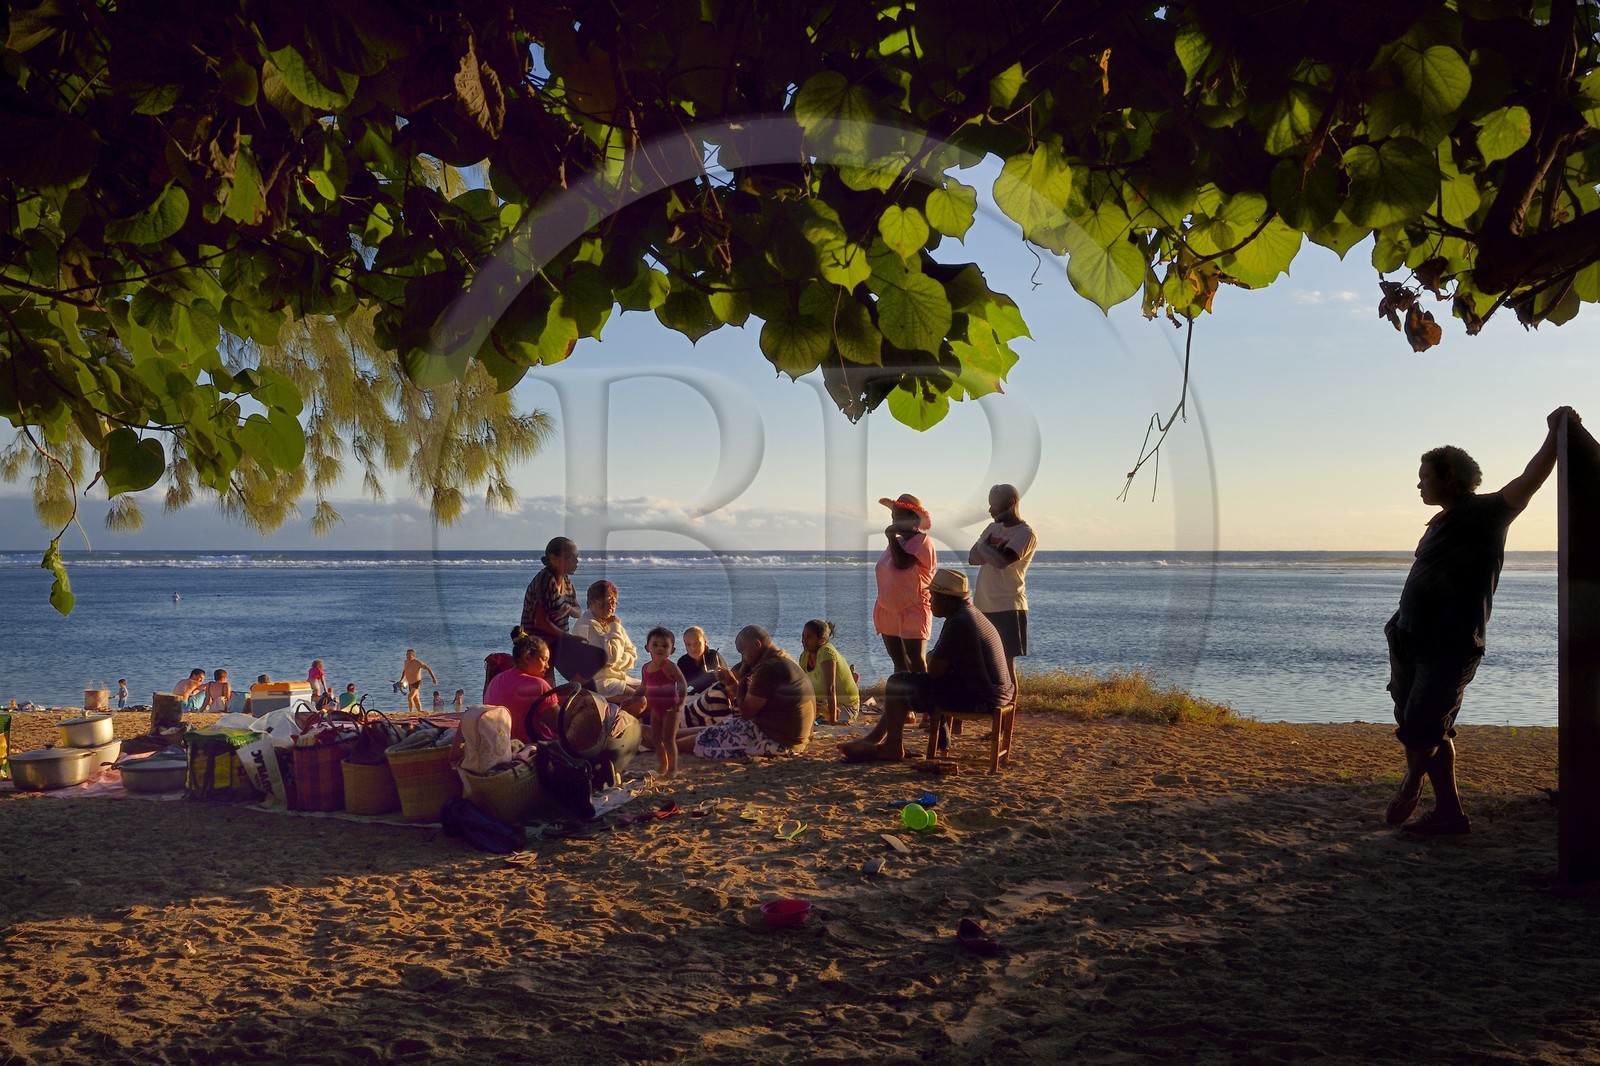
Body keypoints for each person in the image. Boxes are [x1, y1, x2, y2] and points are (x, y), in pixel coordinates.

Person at [1384, 407, 1579, 836]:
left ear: (1450, 477)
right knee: (1427, 727)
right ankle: (1450, 815)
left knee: (1422, 731)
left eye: (1426, 476)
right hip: (1409, 638)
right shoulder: (1440, 520)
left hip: (1449, 642)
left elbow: (1529, 480)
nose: (1419, 483)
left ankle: (1412, 782)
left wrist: (1553, 434)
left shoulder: (1488, 513)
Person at [841, 568, 1013, 763]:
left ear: (946, 599)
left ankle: (889, 746)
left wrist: (933, 658)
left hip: (982, 698)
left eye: (933, 596)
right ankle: (879, 741)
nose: (929, 602)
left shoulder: (959, 623)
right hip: (993, 693)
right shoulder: (969, 614)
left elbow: (934, 670)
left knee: (897, 682)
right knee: (901, 682)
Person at [694, 626, 815, 758]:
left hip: (779, 741)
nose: (742, 658)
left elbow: (746, 713)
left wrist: (740, 677)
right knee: (711, 729)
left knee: (697, 740)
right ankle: (671, 735)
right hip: (786, 736)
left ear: (757, 644)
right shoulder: (782, 659)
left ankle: (670, 740)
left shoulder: (769, 668)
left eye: (743, 651)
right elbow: (750, 705)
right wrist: (734, 681)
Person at [969, 483, 1038, 691]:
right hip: (982, 605)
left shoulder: (1025, 534)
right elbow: (973, 558)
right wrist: (986, 550)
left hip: (1009, 607)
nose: (990, 511)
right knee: (980, 663)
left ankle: (1008, 719)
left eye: (994, 506)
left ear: (1010, 504)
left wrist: (983, 546)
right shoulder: (993, 528)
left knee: (1006, 666)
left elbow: (1002, 561)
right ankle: (990, 708)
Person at [521, 537, 606, 683]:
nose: (576, 561)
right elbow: (540, 622)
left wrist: (568, 609)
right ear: (554, 559)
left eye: (576, 557)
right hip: (540, 643)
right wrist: (569, 638)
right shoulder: (545, 580)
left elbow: (578, 610)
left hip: (557, 642)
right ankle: (570, 691)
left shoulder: (566, 582)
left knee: (589, 678)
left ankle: (573, 690)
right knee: (597, 657)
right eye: (571, 557)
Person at [873, 493, 938, 674]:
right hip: (888, 609)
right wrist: (894, 540)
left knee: (915, 661)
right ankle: (902, 700)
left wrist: (891, 538)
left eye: (899, 517)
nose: (894, 521)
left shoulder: (923, 541)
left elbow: (902, 564)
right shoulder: (898, 542)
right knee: (899, 663)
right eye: (893, 517)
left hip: (913, 608)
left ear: (914, 520)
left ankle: (923, 700)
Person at [575, 580, 643, 708]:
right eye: (606, 602)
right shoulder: (588, 624)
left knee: (654, 690)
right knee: (640, 700)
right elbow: (610, 657)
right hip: (599, 683)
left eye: (613, 602)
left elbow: (632, 654)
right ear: (592, 603)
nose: (610, 606)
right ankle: (619, 726)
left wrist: (615, 662)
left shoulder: (608, 622)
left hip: (618, 677)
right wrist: (615, 627)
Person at [483, 634, 562, 744]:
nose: (547, 666)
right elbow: (560, 727)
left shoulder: (496, 680)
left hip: (501, 746)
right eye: (544, 660)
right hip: (533, 749)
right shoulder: (539, 685)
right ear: (527, 658)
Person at [641, 627, 690, 778]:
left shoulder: (669, 666)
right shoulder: (645, 667)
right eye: (655, 644)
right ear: (647, 647)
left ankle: (672, 769)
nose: (659, 648)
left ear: (672, 650)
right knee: (656, 740)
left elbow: (682, 684)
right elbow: (643, 686)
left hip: (671, 709)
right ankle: (663, 766)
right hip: (656, 710)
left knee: (668, 740)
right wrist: (632, 698)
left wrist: (681, 703)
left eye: (665, 645)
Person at [798, 619, 860, 724]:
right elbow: (801, 687)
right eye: (803, 636)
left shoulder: (826, 652)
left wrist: (833, 720)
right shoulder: (804, 656)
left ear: (822, 640)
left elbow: (831, 688)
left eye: (809, 637)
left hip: (845, 708)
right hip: (821, 703)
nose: (803, 640)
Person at [679, 627, 728, 695]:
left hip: (716, 693)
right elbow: (681, 686)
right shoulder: (683, 661)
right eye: (688, 644)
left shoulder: (714, 656)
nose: (693, 648)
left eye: (697, 643)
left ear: (705, 642)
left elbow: (724, 683)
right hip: (697, 695)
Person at [398, 650, 438, 716]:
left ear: (413, 656)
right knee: (416, 699)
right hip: (410, 684)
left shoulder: (417, 662)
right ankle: (420, 712)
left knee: (410, 697)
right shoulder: (405, 662)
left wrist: (434, 678)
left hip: (417, 683)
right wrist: (401, 680)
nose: (407, 656)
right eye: (406, 655)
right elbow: (405, 671)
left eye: (409, 655)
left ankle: (410, 713)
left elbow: (428, 668)